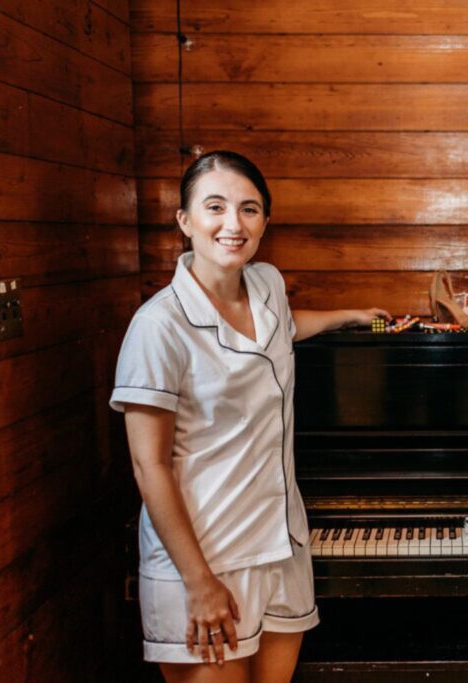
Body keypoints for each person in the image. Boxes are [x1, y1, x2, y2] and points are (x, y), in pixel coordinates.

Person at [109, 150, 390, 682]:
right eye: (215, 207)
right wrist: (199, 582)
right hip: (206, 558)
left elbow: (282, 328)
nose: (233, 224)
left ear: (265, 221)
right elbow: (150, 468)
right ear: (185, 221)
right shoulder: (157, 327)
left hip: (281, 547)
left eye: (249, 209)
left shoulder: (267, 284)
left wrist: (347, 316)